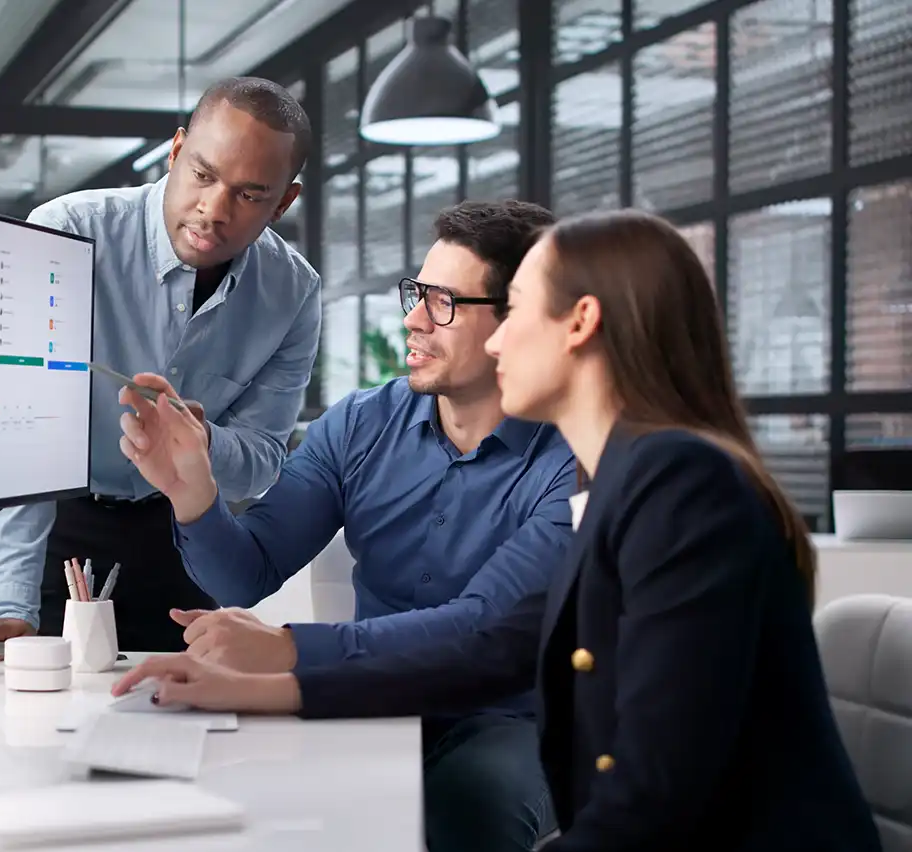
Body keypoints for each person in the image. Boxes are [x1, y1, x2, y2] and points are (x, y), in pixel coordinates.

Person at [111, 210, 883, 852]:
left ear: (579, 322)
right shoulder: (635, 474)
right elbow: (496, 646)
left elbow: (643, 793)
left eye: (519, 311)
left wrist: (277, 660)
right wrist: (251, 671)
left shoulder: (676, 483)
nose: (502, 338)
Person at [119, 200, 575, 852]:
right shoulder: (361, 424)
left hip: (512, 716)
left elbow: (482, 630)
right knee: (249, 797)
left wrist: (286, 649)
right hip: (371, 693)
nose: (413, 320)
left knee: (470, 805)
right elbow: (245, 573)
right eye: (418, 293)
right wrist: (192, 494)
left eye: (444, 303)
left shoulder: (574, 461)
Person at [0, 77, 321, 653]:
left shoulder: (293, 292)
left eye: (248, 194)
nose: (213, 210)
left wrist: (199, 444)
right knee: (43, 720)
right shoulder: (64, 232)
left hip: (184, 535)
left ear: (284, 202)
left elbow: (261, 464)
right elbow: (21, 438)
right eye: (203, 174)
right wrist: (13, 605)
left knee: (183, 723)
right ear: (174, 152)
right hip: (59, 522)